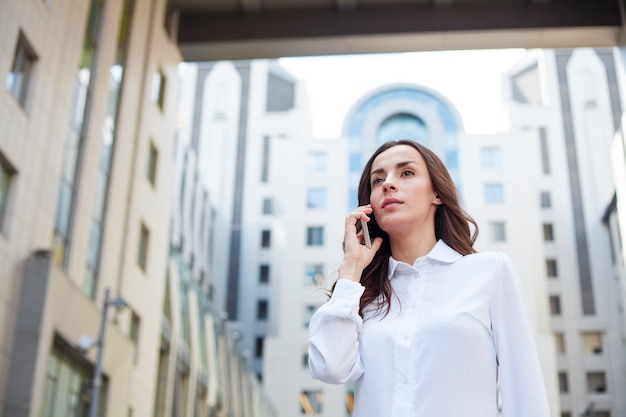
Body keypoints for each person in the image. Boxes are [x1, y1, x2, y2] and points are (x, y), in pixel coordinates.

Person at [307, 139, 551, 416]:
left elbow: (525, 390)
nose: (388, 184)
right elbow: (329, 367)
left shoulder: (490, 272)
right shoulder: (361, 295)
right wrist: (351, 269)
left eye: (406, 173)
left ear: (437, 193)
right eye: (377, 180)